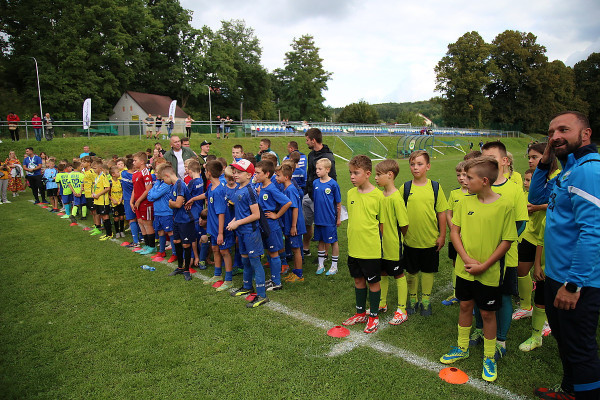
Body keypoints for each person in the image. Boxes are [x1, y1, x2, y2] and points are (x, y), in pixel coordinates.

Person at [529, 111, 600, 400]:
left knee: (580, 349)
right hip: (557, 277)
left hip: (577, 283)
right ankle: (570, 391)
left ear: (586, 134)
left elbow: (593, 232)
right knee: (567, 342)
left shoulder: (588, 171)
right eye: (551, 132)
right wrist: (546, 161)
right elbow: (536, 197)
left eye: (563, 130)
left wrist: (573, 285)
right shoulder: (569, 169)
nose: (555, 136)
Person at [440, 156, 517, 383]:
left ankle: (489, 356)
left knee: (487, 314)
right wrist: (465, 258)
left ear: (484, 181)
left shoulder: (505, 205)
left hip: (489, 272)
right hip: (464, 269)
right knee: (465, 306)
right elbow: (455, 232)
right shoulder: (464, 202)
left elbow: (507, 241)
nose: (464, 180)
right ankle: (462, 347)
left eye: (469, 177)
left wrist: (484, 265)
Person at [471, 141, 528, 359]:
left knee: (503, 297)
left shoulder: (514, 189)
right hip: (478, 254)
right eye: (483, 158)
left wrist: (500, 244)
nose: (487, 162)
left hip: (506, 256)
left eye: (492, 158)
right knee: (478, 295)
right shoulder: (479, 185)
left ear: (504, 161)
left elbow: (521, 222)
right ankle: (480, 329)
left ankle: (500, 340)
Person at [513, 143, 560, 321]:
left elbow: (561, 204)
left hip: (550, 236)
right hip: (531, 233)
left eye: (534, 157)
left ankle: (547, 317)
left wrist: (538, 207)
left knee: (546, 279)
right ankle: (526, 306)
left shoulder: (559, 177)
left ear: (547, 157)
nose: (530, 161)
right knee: (521, 270)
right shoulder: (537, 178)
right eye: (529, 157)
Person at [402, 150, 448, 316]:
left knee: (428, 271)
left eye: (419, 164)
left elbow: (441, 213)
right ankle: (413, 299)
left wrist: (442, 236)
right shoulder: (405, 187)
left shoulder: (435, 187)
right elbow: (398, 211)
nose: (415, 167)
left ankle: (426, 300)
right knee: (411, 271)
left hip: (430, 240)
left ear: (428, 166)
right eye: (412, 164)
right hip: (410, 240)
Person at [342, 155, 384, 334]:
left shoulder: (379, 196)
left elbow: (382, 225)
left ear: (367, 174)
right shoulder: (351, 193)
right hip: (354, 247)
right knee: (358, 279)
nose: (352, 176)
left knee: (373, 282)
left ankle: (373, 316)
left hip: (370, 249)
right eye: (350, 173)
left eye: (356, 173)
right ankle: (360, 313)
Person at [227, 159, 269, 308]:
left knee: (255, 262)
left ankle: (262, 295)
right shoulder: (239, 188)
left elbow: (256, 215)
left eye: (239, 172)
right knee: (245, 260)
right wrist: (233, 221)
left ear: (249, 175)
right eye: (234, 171)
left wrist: (237, 223)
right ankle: (247, 286)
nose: (235, 174)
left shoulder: (250, 190)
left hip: (251, 233)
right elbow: (241, 211)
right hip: (242, 232)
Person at [374, 159, 410, 325]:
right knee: (382, 272)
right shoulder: (380, 196)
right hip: (379, 244)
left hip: (393, 245)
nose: (375, 178)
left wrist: (397, 238)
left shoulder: (396, 198)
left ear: (390, 175)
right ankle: (382, 303)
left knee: (398, 274)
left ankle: (402, 309)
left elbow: (404, 224)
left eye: (378, 174)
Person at [255, 160, 291, 291]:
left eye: (258, 173)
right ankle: (273, 278)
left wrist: (276, 215)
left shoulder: (271, 188)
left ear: (267, 174)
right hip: (264, 224)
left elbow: (287, 202)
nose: (256, 175)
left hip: (271, 226)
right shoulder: (263, 187)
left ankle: (277, 282)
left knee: (274, 252)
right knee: (270, 252)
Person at [202, 160, 235, 291]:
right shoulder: (211, 187)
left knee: (224, 251)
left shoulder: (219, 191)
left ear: (209, 173)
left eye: (205, 171)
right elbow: (205, 196)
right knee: (215, 249)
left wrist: (221, 233)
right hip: (213, 227)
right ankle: (217, 275)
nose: (205, 173)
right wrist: (192, 199)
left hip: (221, 228)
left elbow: (221, 213)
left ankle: (229, 280)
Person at [303, 128, 336, 257]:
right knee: (306, 223)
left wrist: (328, 198)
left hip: (322, 198)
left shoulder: (328, 157)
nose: (306, 142)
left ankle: (325, 253)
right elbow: (309, 174)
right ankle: (306, 249)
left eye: (307, 140)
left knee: (323, 225)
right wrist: (306, 191)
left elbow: (333, 179)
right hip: (309, 195)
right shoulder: (311, 155)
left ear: (313, 140)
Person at [443, 161, 470, 306]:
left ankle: (471, 297)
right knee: (455, 263)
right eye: (459, 175)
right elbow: (449, 213)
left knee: (470, 263)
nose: (461, 178)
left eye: (464, 175)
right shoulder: (454, 193)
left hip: (470, 238)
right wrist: (454, 230)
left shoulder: (475, 193)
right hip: (455, 237)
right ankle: (456, 293)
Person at [276, 164, 307, 283]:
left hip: (295, 225)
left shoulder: (290, 189)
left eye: (278, 175)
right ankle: (295, 272)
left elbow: (295, 208)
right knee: (294, 249)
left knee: (296, 249)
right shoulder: (285, 188)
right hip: (290, 224)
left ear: (286, 177)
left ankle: (299, 275)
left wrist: (293, 226)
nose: (276, 178)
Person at [312, 158, 341, 276]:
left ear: (327, 170)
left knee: (333, 241)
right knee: (320, 240)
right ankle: (321, 265)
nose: (317, 171)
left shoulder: (333, 184)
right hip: (318, 219)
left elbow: (338, 203)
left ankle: (334, 266)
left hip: (329, 219)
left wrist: (338, 218)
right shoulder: (315, 183)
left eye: (320, 169)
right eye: (316, 169)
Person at [146, 163, 174, 261]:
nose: (155, 174)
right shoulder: (159, 183)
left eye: (157, 172)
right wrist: (157, 184)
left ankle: (174, 253)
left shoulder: (166, 185)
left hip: (166, 212)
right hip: (158, 212)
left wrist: (152, 193)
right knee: (160, 232)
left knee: (170, 232)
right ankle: (162, 251)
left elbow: (153, 196)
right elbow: (150, 196)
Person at [131, 151, 155, 255]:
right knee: (141, 222)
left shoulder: (146, 173)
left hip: (145, 203)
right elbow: (135, 189)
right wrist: (132, 201)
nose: (133, 162)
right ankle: (146, 244)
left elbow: (148, 189)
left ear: (141, 162)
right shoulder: (135, 173)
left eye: (135, 160)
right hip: (137, 203)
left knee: (147, 223)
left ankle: (152, 246)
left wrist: (139, 200)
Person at [91, 160, 114, 241]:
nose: (94, 170)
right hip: (98, 200)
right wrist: (93, 193)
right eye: (93, 168)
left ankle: (109, 233)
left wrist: (98, 194)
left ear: (100, 168)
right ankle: (107, 233)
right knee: (101, 216)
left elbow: (107, 188)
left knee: (105, 216)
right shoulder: (97, 177)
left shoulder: (103, 176)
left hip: (103, 201)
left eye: (95, 168)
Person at [109, 166, 125, 238]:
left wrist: (121, 198)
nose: (119, 173)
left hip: (120, 202)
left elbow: (123, 191)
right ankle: (117, 231)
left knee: (121, 217)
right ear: (113, 174)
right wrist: (113, 200)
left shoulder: (120, 182)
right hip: (114, 203)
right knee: (116, 218)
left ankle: (121, 231)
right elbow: (108, 193)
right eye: (117, 172)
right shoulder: (110, 182)